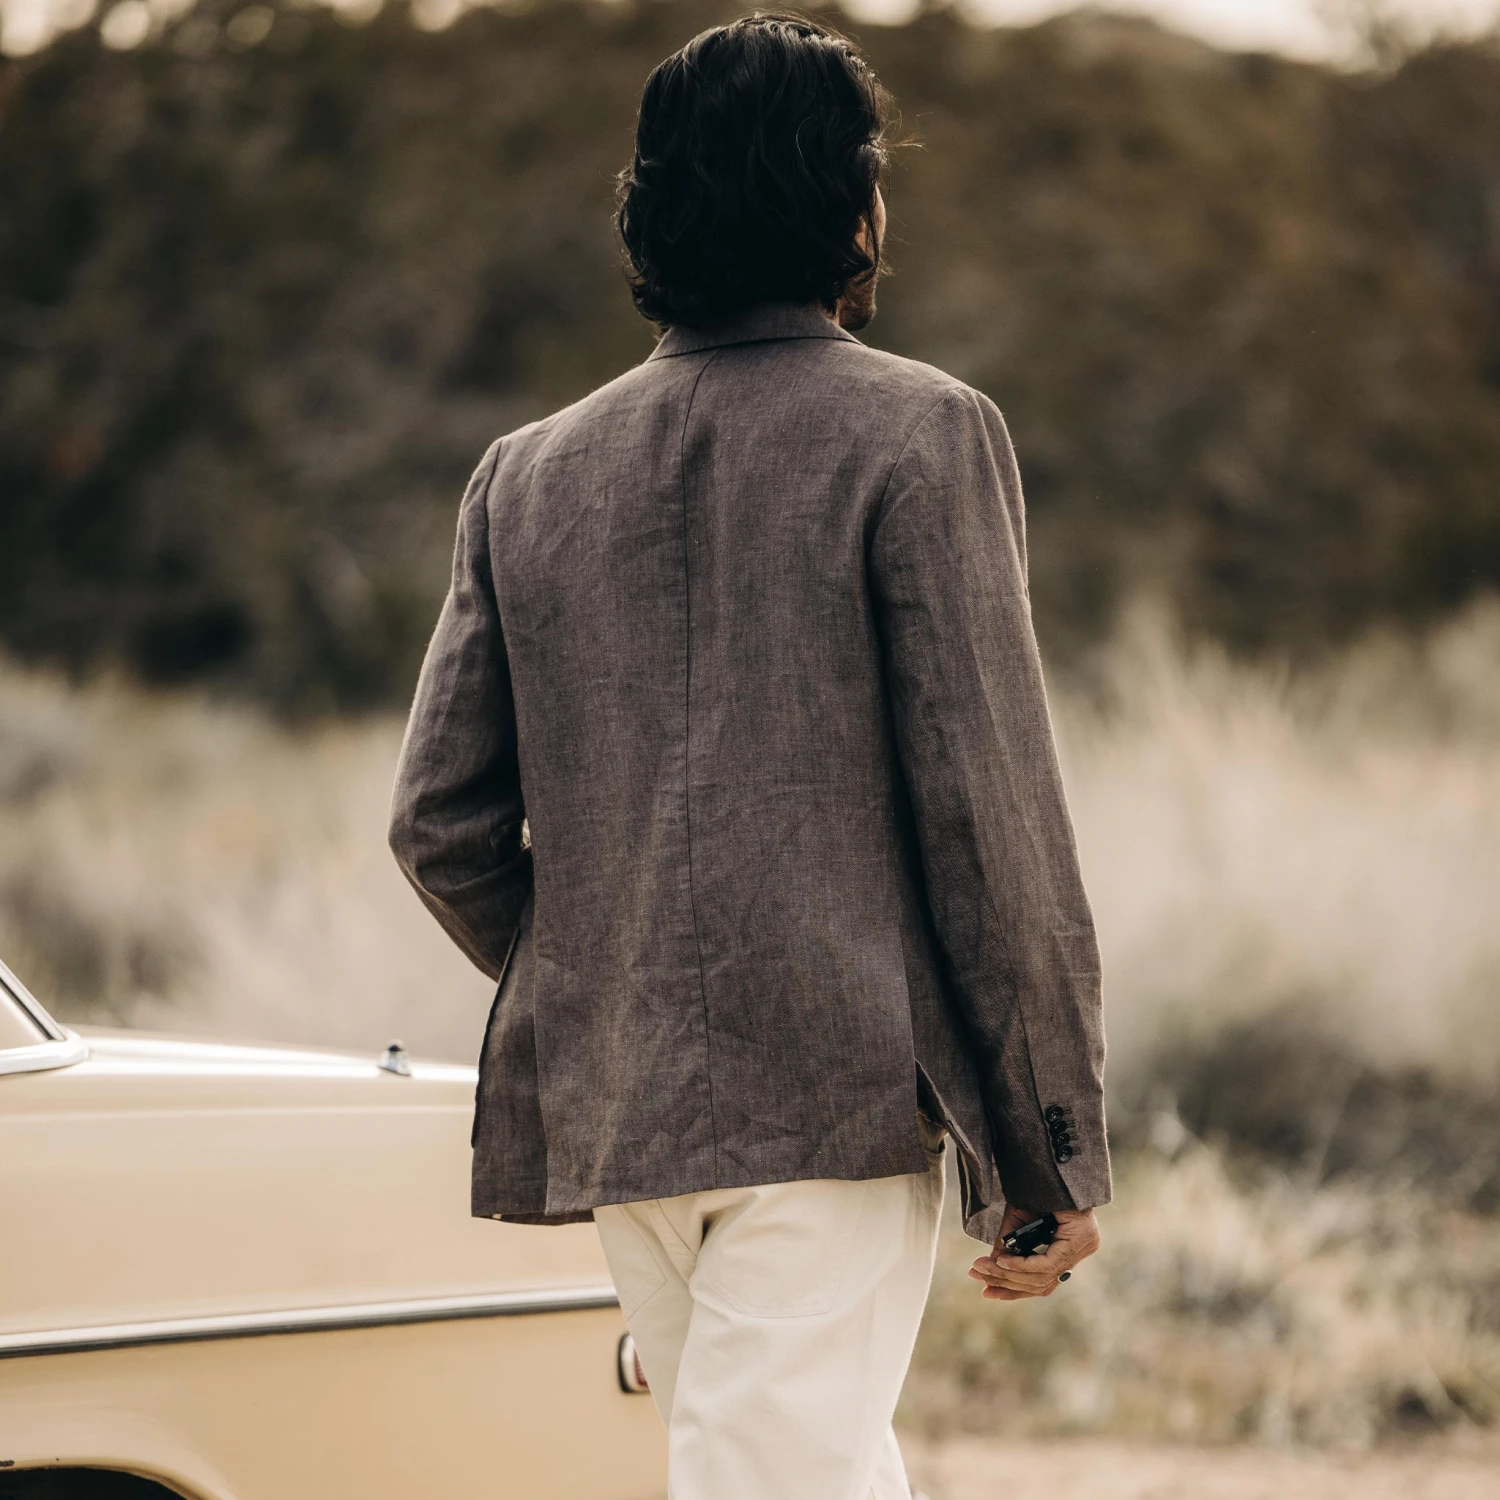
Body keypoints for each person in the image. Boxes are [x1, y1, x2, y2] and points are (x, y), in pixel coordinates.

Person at [388, 12, 1107, 1498]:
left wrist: (626, 979)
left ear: (654, 209)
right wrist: (1047, 1156)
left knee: (794, 1470)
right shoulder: (924, 434)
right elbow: (991, 827)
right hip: (833, 1106)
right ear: (852, 208)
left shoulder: (524, 474)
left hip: (630, 1120)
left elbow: (439, 826)